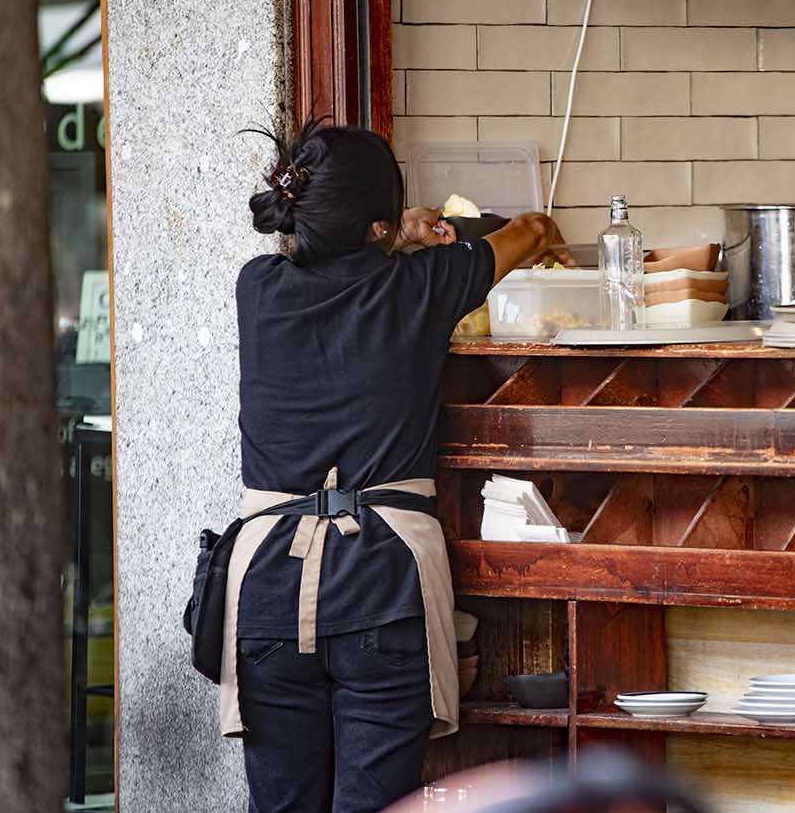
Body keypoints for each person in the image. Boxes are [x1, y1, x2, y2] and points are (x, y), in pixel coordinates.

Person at [221, 118, 563, 813]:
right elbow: (532, 229)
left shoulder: (255, 289)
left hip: (264, 592)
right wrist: (420, 240)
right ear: (378, 223)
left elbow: (333, 268)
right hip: (380, 584)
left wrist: (389, 235)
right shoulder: (424, 287)